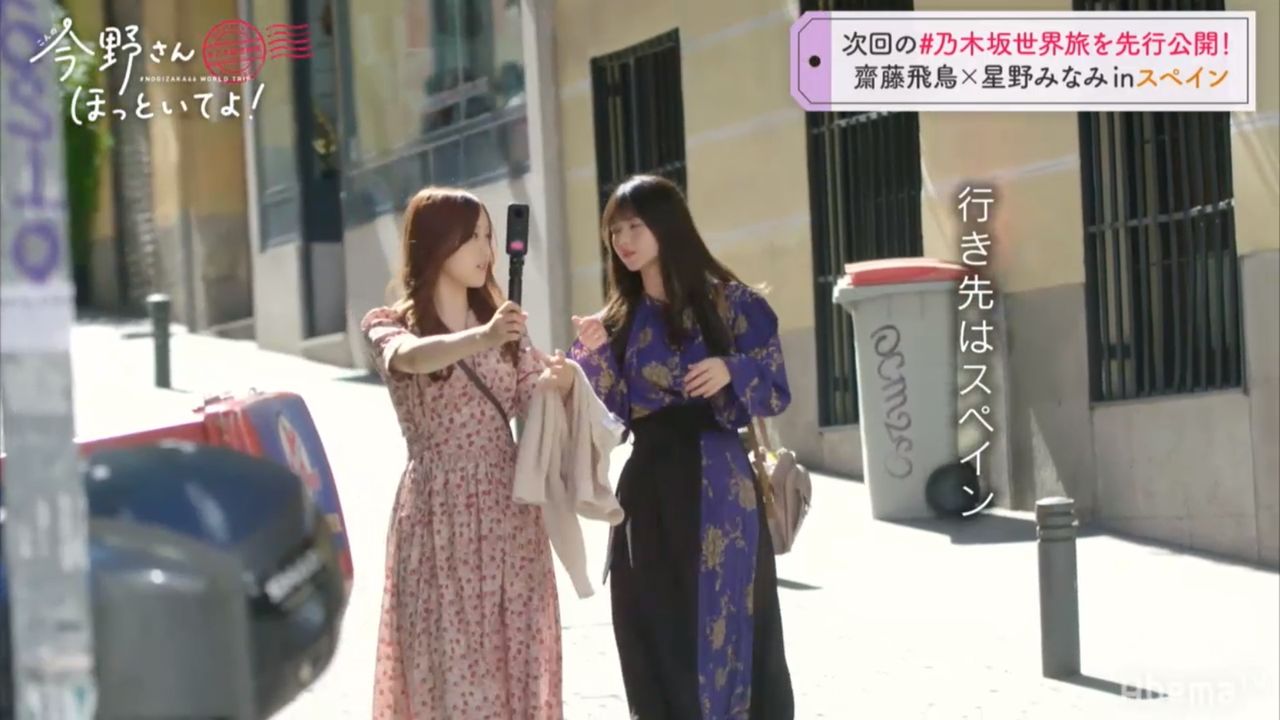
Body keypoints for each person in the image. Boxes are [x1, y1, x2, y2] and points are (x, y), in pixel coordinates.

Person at [569, 175, 795, 719]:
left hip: (719, 483)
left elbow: (775, 389)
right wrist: (590, 359)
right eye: (615, 230)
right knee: (653, 620)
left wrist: (730, 369)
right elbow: (613, 414)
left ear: (666, 226)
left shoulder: (730, 302)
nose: (623, 240)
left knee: (726, 617)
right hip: (647, 487)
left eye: (635, 226)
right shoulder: (619, 318)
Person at [362, 187, 575, 719]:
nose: (487, 250)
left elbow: (533, 397)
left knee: (513, 659)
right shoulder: (391, 323)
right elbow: (409, 358)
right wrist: (483, 336)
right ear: (438, 243)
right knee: (447, 666)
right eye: (472, 237)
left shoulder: (505, 327)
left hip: (510, 514)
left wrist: (564, 380)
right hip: (438, 516)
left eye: (489, 236)